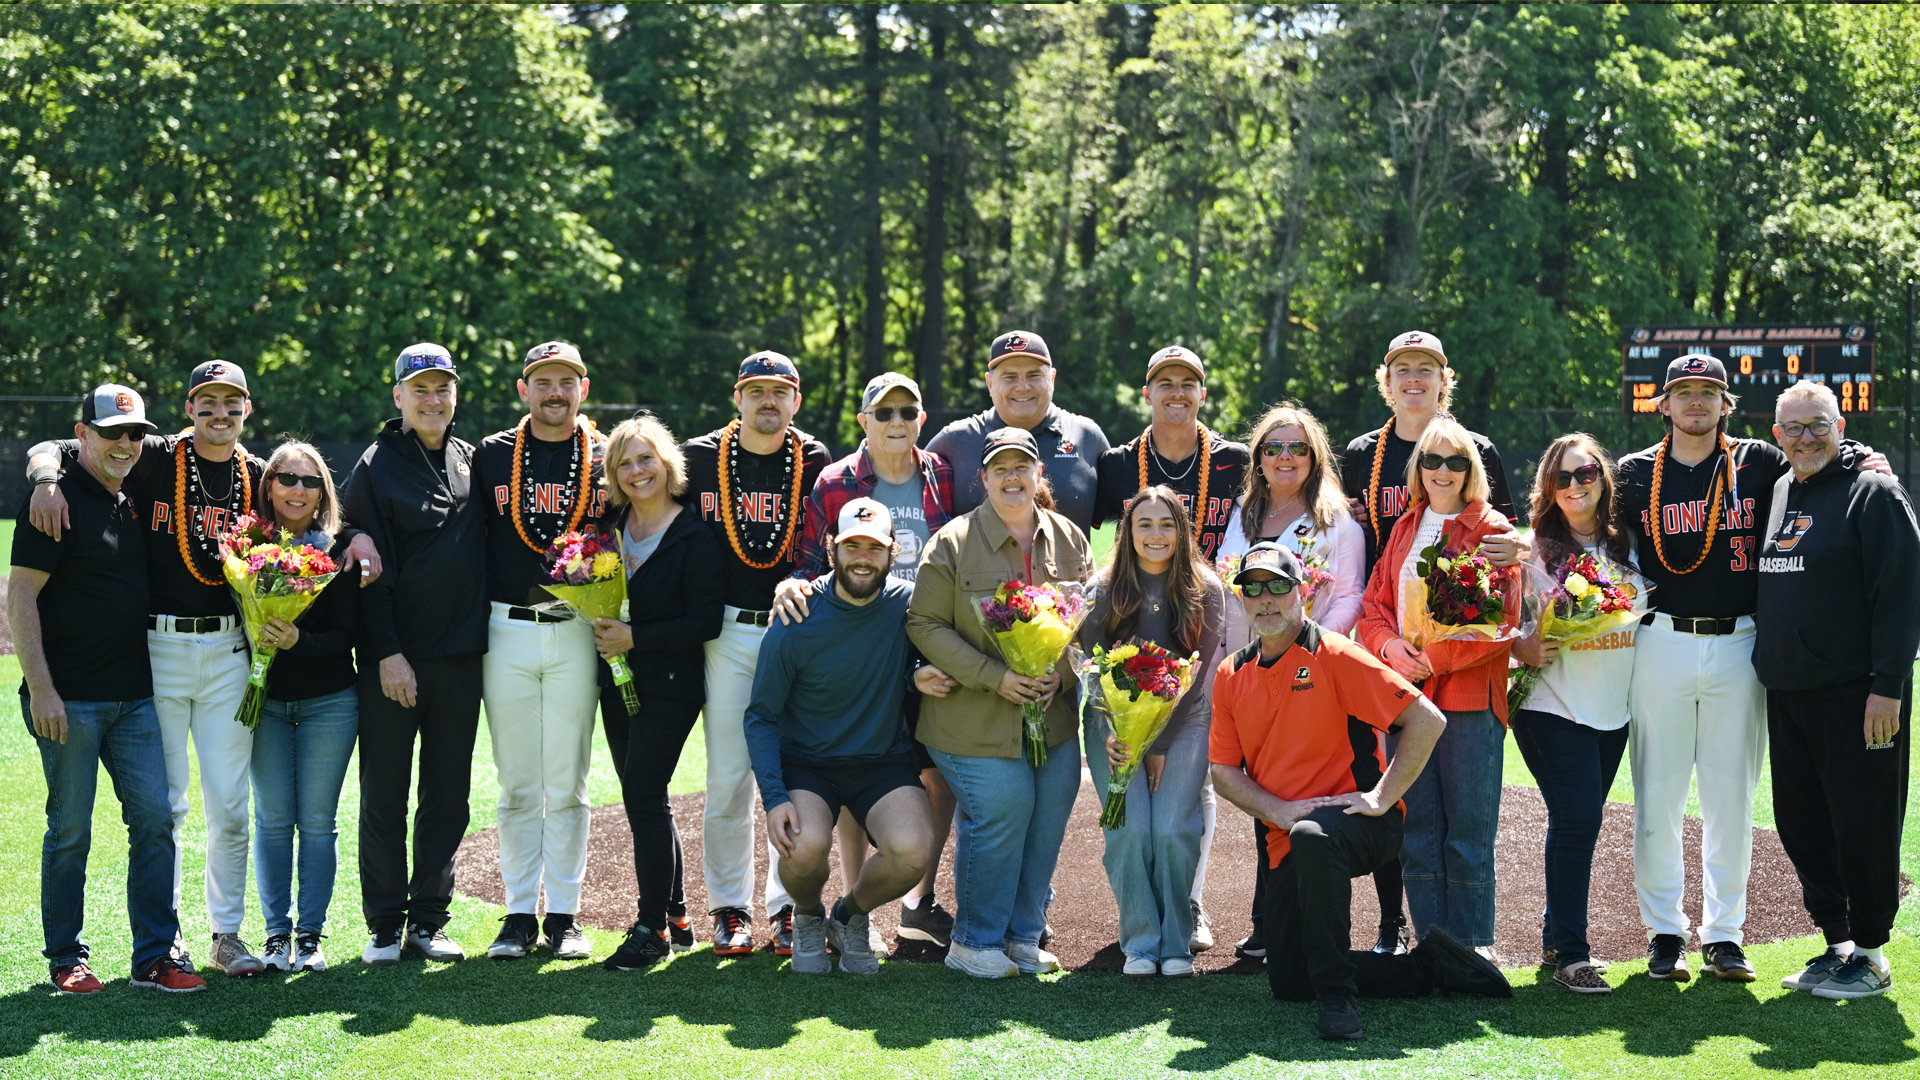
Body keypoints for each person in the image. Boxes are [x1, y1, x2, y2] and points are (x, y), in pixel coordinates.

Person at [23, 360, 378, 978]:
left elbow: (313, 501)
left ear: (248, 410)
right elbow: (57, 443)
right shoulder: (156, 453)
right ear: (189, 409)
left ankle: (227, 934)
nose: (220, 415)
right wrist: (47, 477)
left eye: (231, 404)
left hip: (229, 654)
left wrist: (360, 537)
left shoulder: (258, 474)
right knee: (167, 807)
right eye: (207, 403)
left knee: (231, 804)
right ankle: (168, 943)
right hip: (156, 652)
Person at [1615, 353, 1890, 983]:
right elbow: (1579, 521)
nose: (1695, 402)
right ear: (1663, 404)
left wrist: (1864, 459)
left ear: (1726, 404)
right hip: (1660, 640)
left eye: (1707, 392)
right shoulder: (1634, 473)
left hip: (1742, 644)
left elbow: (1822, 455)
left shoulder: (1759, 462)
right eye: (1682, 392)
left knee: (1730, 796)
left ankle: (1724, 935)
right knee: (1656, 793)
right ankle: (1664, 931)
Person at [1210, 542, 1510, 1042]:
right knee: (1287, 981)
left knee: (1313, 835)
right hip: (1289, 831)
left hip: (1364, 824)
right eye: (1253, 588)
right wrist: (1277, 810)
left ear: (1301, 592)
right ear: (1241, 599)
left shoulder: (1334, 653)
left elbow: (1425, 720)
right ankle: (1429, 969)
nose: (1266, 598)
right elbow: (1223, 770)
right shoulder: (1230, 673)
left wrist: (1380, 799)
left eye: (1278, 585)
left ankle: (1338, 996)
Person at [11, 386, 205, 994]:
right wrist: (42, 688)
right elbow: (19, 597)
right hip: (69, 700)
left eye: (135, 433)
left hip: (136, 699)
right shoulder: (56, 499)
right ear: (85, 434)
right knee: (70, 830)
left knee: (154, 822)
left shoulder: (135, 494)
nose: (126, 444)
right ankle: (66, 959)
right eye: (113, 432)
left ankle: (154, 958)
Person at [1338, 331, 1523, 955]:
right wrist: (1391, 651)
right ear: (1417, 471)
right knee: (1418, 830)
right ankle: (1430, 945)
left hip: (1469, 698)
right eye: (1432, 463)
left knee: (1468, 831)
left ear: (1474, 469)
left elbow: (1502, 625)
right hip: (1406, 698)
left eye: (1456, 463)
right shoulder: (1407, 526)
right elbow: (1373, 607)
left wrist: (1434, 659)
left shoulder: (1492, 528)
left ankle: (1472, 948)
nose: (1443, 471)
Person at [776, 371, 959, 949]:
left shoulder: (942, 477)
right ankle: (855, 910)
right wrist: (790, 586)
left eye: (908, 412)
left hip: (928, 642)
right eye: (885, 413)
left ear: (921, 420)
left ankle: (916, 902)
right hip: (863, 643)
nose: (897, 423)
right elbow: (810, 561)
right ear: (864, 422)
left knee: (936, 772)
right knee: (860, 763)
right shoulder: (835, 482)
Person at [1754, 381, 1920, 1000]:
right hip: (1788, 692)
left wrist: (1889, 687)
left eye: (1817, 424)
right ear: (1777, 435)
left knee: (1863, 823)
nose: (1805, 437)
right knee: (1802, 825)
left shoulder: (1873, 491)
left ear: (1840, 424)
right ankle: (1838, 944)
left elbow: (1901, 598)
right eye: (1793, 427)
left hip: (1855, 696)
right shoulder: (1780, 491)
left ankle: (1873, 954)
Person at [907, 427, 1094, 978]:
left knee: (1050, 811)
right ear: (983, 478)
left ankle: (1022, 936)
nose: (1013, 477)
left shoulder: (1068, 538)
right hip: (972, 718)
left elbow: (1086, 618)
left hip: (1052, 717)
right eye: (1000, 469)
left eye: (1023, 467)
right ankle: (973, 941)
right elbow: (924, 622)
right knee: (1005, 806)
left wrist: (1059, 676)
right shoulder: (952, 542)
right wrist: (995, 675)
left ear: (1040, 475)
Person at [749, 498, 956, 974]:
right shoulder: (796, 615)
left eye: (874, 547)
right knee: (802, 849)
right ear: (832, 548)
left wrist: (914, 675)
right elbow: (760, 715)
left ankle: (849, 914)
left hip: (881, 762)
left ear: (892, 553)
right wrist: (774, 797)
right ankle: (806, 915)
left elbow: (929, 648)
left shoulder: (907, 604)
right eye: (852, 546)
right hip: (808, 764)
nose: (862, 557)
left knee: (913, 852)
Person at [681, 351, 834, 956]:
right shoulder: (698, 456)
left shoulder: (814, 457)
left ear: (796, 400)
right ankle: (729, 907)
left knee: (791, 774)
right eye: (756, 390)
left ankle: (788, 904)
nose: (768, 401)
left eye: (780, 391)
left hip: (792, 628)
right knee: (727, 777)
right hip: (724, 633)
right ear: (736, 398)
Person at [342, 343, 488, 966]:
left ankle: (429, 918)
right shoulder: (375, 465)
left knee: (448, 794)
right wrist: (386, 654)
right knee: (383, 793)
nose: (433, 400)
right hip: (394, 660)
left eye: (443, 389)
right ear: (398, 395)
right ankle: (383, 923)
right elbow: (359, 559)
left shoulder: (470, 458)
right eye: (420, 389)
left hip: (461, 657)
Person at [1214, 403, 1368, 961]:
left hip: (1314, 675)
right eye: (1273, 447)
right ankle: (1269, 920)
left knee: (1310, 792)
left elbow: (1350, 593)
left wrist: (1312, 651)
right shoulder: (1244, 515)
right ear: (1258, 457)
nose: (1285, 457)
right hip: (1250, 671)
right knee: (1264, 792)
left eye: (1297, 447)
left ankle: (1329, 924)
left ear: (1315, 456)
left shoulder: (1336, 519)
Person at [473, 341, 608, 961]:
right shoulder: (493, 454)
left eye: (566, 381)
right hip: (507, 628)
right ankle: (518, 912)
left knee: (570, 781)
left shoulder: (605, 456)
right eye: (542, 381)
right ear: (523, 389)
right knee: (519, 782)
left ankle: (565, 916)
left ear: (584, 388)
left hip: (578, 628)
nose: (555, 392)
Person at [1508, 434, 1643, 993]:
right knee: (1579, 818)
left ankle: (1553, 933)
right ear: (1548, 487)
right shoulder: (1530, 549)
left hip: (1613, 709)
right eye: (1561, 478)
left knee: (1579, 821)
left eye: (1584, 472)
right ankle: (1572, 953)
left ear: (1602, 477)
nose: (1574, 485)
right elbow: (1495, 625)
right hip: (1549, 706)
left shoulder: (1629, 542)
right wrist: (1523, 647)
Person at [594, 415, 726, 971]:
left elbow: (706, 622)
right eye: (624, 462)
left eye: (645, 458)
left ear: (666, 462)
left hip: (671, 686)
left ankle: (650, 928)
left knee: (645, 790)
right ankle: (675, 912)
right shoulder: (608, 526)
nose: (636, 470)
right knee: (640, 795)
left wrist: (635, 638)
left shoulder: (695, 532)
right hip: (615, 679)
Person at [1082, 486, 1226, 977]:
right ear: (1128, 533)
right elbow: (1093, 667)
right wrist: (1114, 729)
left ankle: (1176, 939)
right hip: (1113, 722)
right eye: (1144, 525)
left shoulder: (1206, 588)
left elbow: (1198, 672)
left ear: (1183, 532)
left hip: (1187, 719)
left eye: (1167, 524)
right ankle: (1141, 940)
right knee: (1129, 830)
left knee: (1171, 829)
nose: (1156, 534)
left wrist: (1157, 744)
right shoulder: (1103, 589)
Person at [246, 441, 364, 975]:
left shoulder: (340, 549)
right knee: (272, 820)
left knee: (317, 823)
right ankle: (275, 937)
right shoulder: (245, 545)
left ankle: (310, 937)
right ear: (268, 485)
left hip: (330, 702)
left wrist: (299, 642)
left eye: (309, 481)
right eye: (286, 478)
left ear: (323, 493)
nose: (297, 489)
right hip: (264, 702)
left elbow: (351, 636)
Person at [1340, 331, 1518, 567]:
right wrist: (1346, 519)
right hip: (1377, 598)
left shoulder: (1478, 450)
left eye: (1425, 369)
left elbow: (1505, 534)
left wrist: (1518, 545)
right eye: (1402, 369)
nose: (1413, 378)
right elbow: (1345, 536)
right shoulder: (1360, 453)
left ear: (1443, 380)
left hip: (1454, 598)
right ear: (1387, 382)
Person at [926, 330, 1110, 535]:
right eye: (1010, 377)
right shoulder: (954, 441)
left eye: (1034, 375)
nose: (1023, 387)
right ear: (989, 383)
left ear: (1052, 378)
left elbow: (1130, 521)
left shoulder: (1087, 437)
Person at [1093, 345, 1251, 563]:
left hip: (1214, 594)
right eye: (1166, 384)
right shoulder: (1117, 463)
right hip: (1138, 594)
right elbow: (1077, 525)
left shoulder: (1236, 460)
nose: (1178, 393)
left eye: (1188, 384)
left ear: (1202, 396)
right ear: (1147, 395)